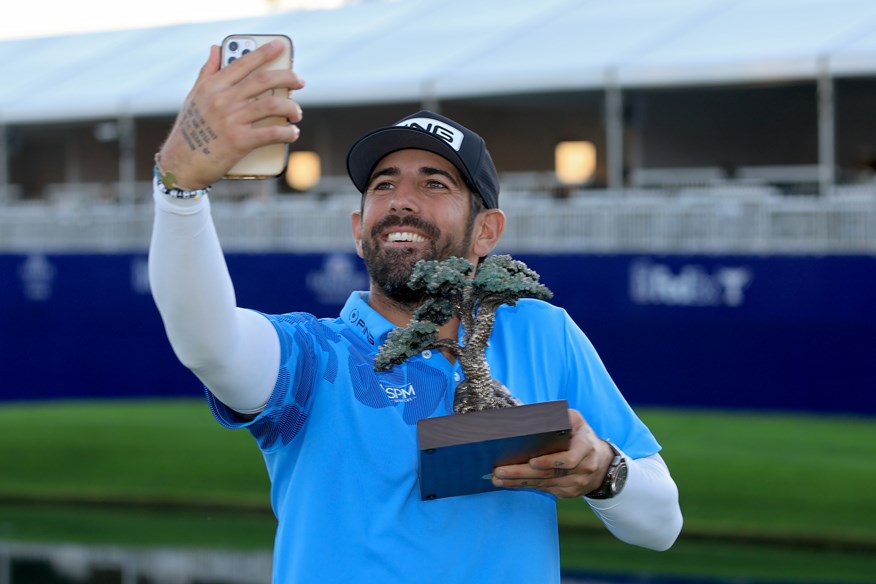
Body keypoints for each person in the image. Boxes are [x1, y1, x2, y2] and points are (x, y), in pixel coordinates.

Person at [148, 41, 682, 583]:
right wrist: (180, 188)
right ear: (358, 231)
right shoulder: (314, 356)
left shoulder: (542, 331)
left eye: (434, 183)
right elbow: (208, 343)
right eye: (384, 185)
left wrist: (604, 470)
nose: (402, 199)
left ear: (486, 232)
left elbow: (661, 523)